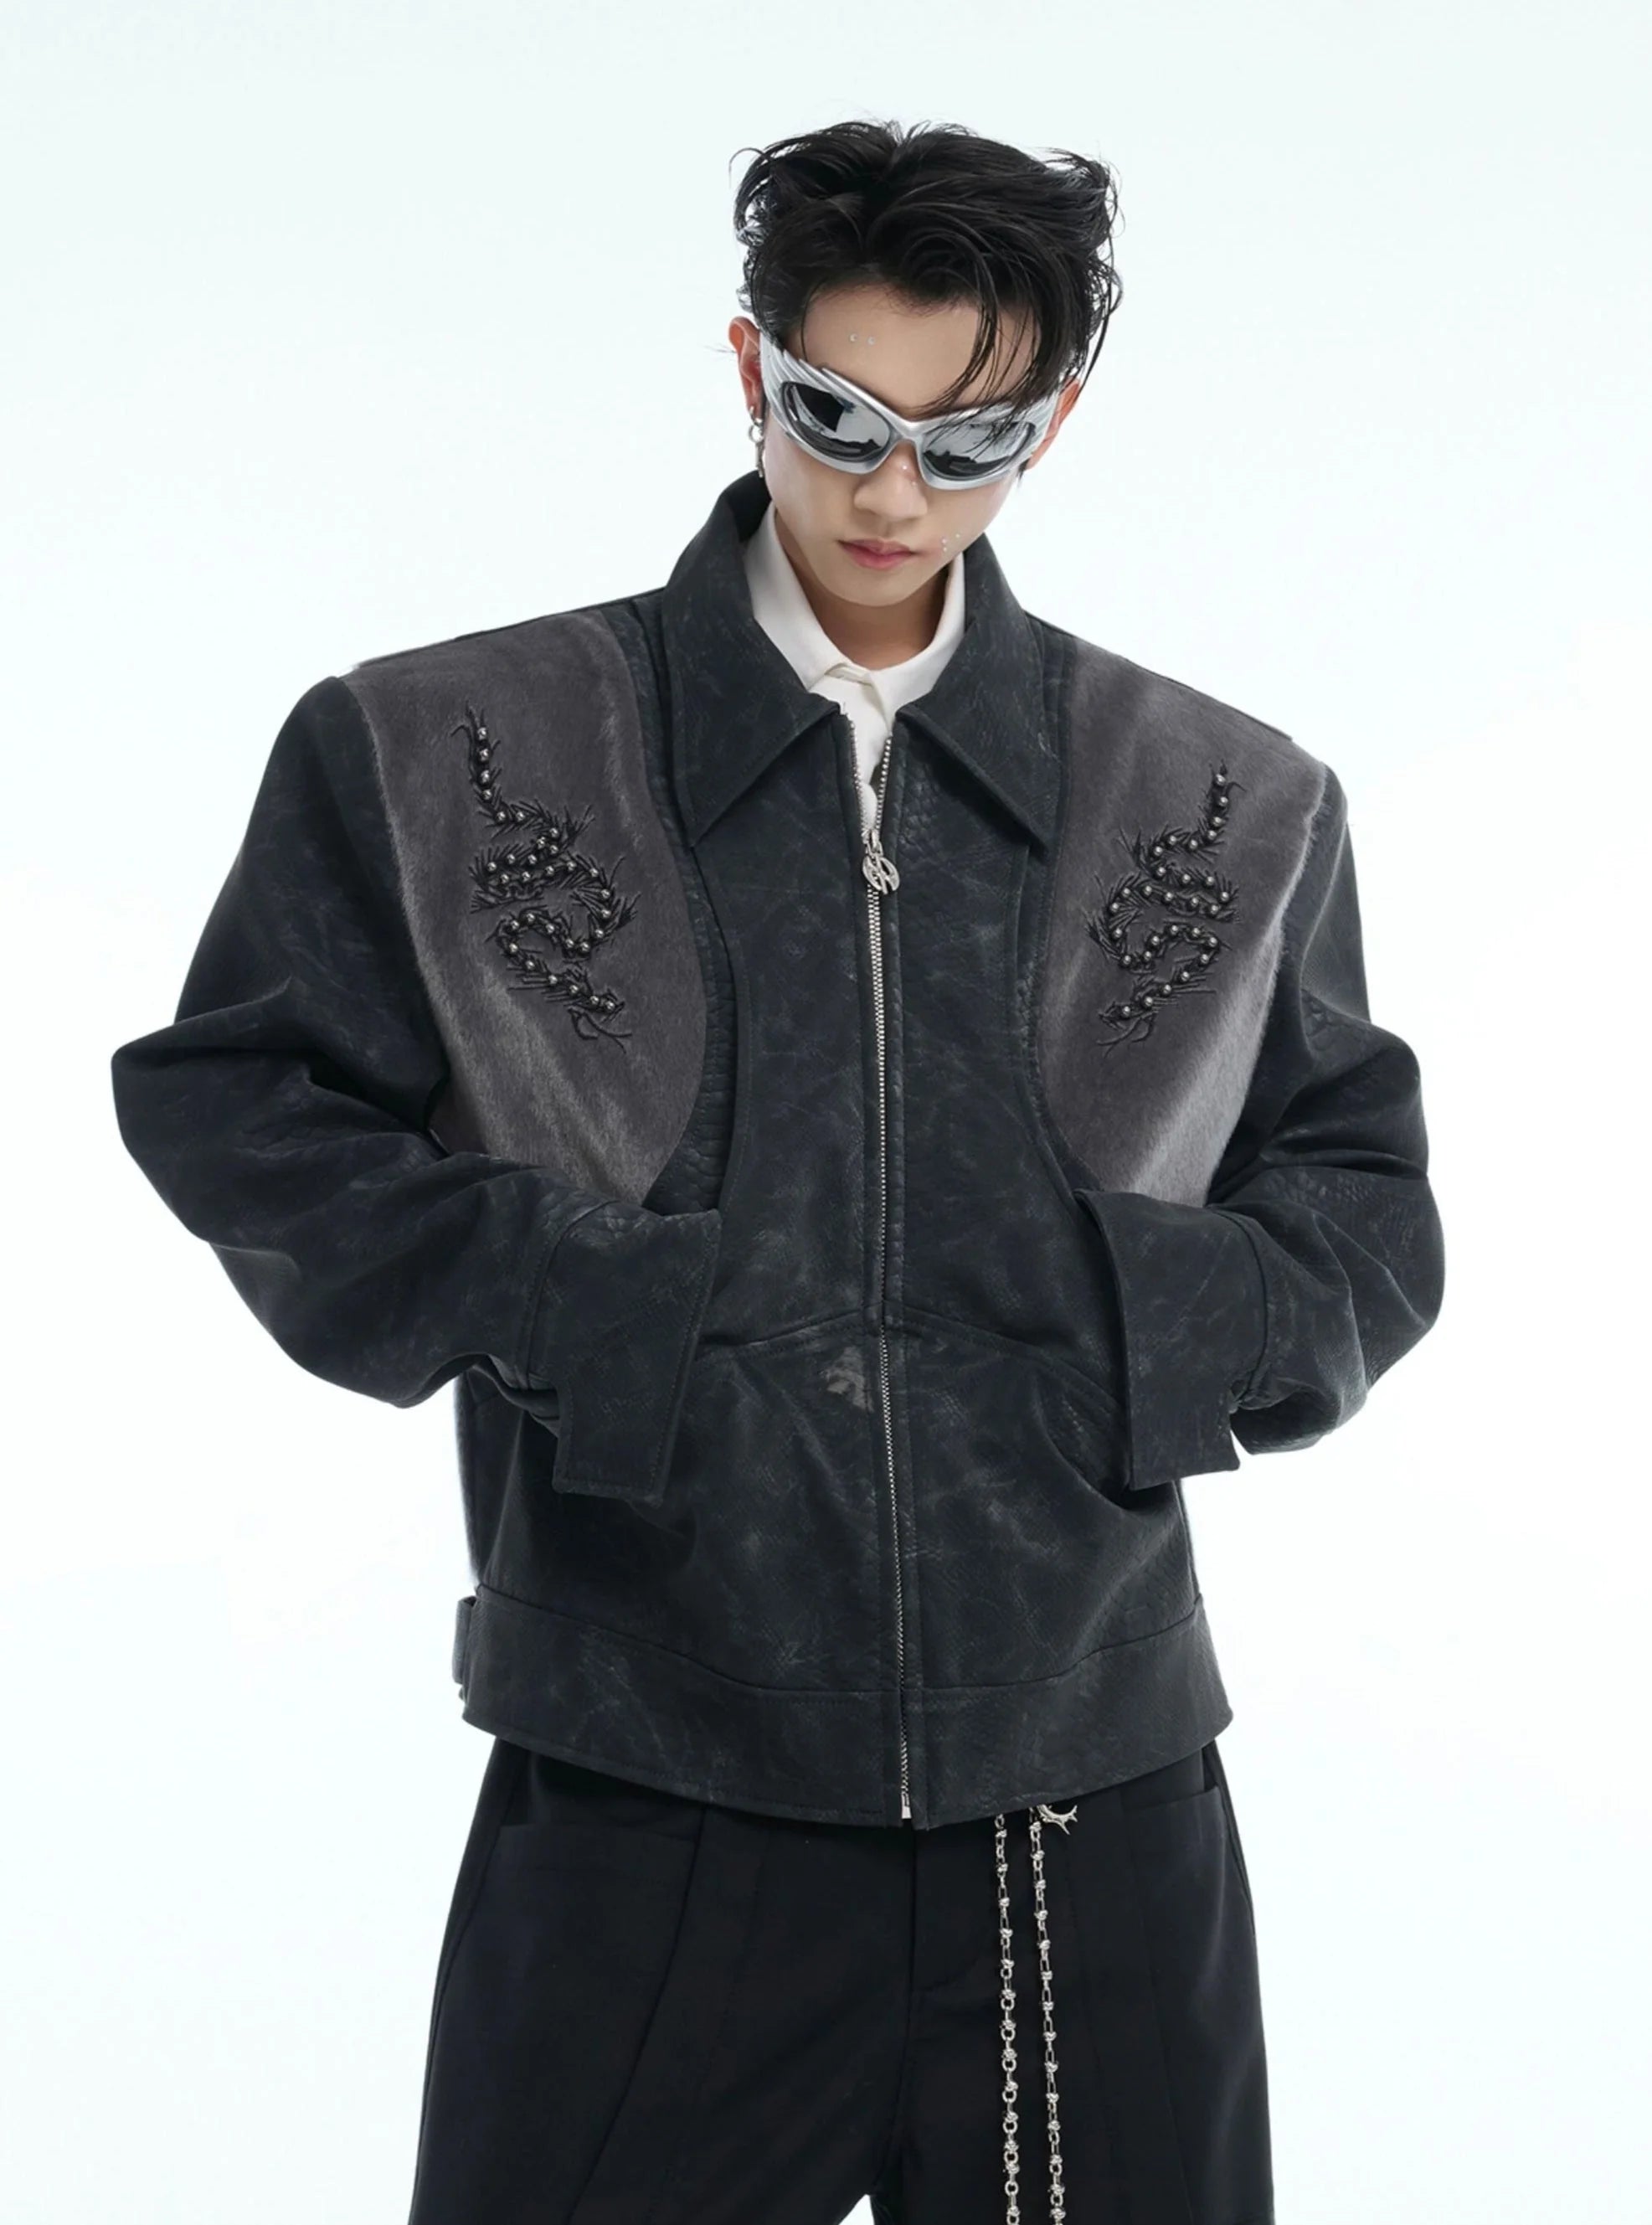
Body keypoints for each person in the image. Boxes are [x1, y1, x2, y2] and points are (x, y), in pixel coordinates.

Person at [109, 116, 1444, 2225]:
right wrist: (572, 1298)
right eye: (840, 417)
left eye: (969, 440)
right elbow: (238, 1101)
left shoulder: (1224, 798)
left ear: (1054, 423)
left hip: (1080, 1818)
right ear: (752, 367)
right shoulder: (448, 744)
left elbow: (1366, 1213)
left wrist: (1121, 1326)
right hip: (648, 1791)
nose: (894, 493)